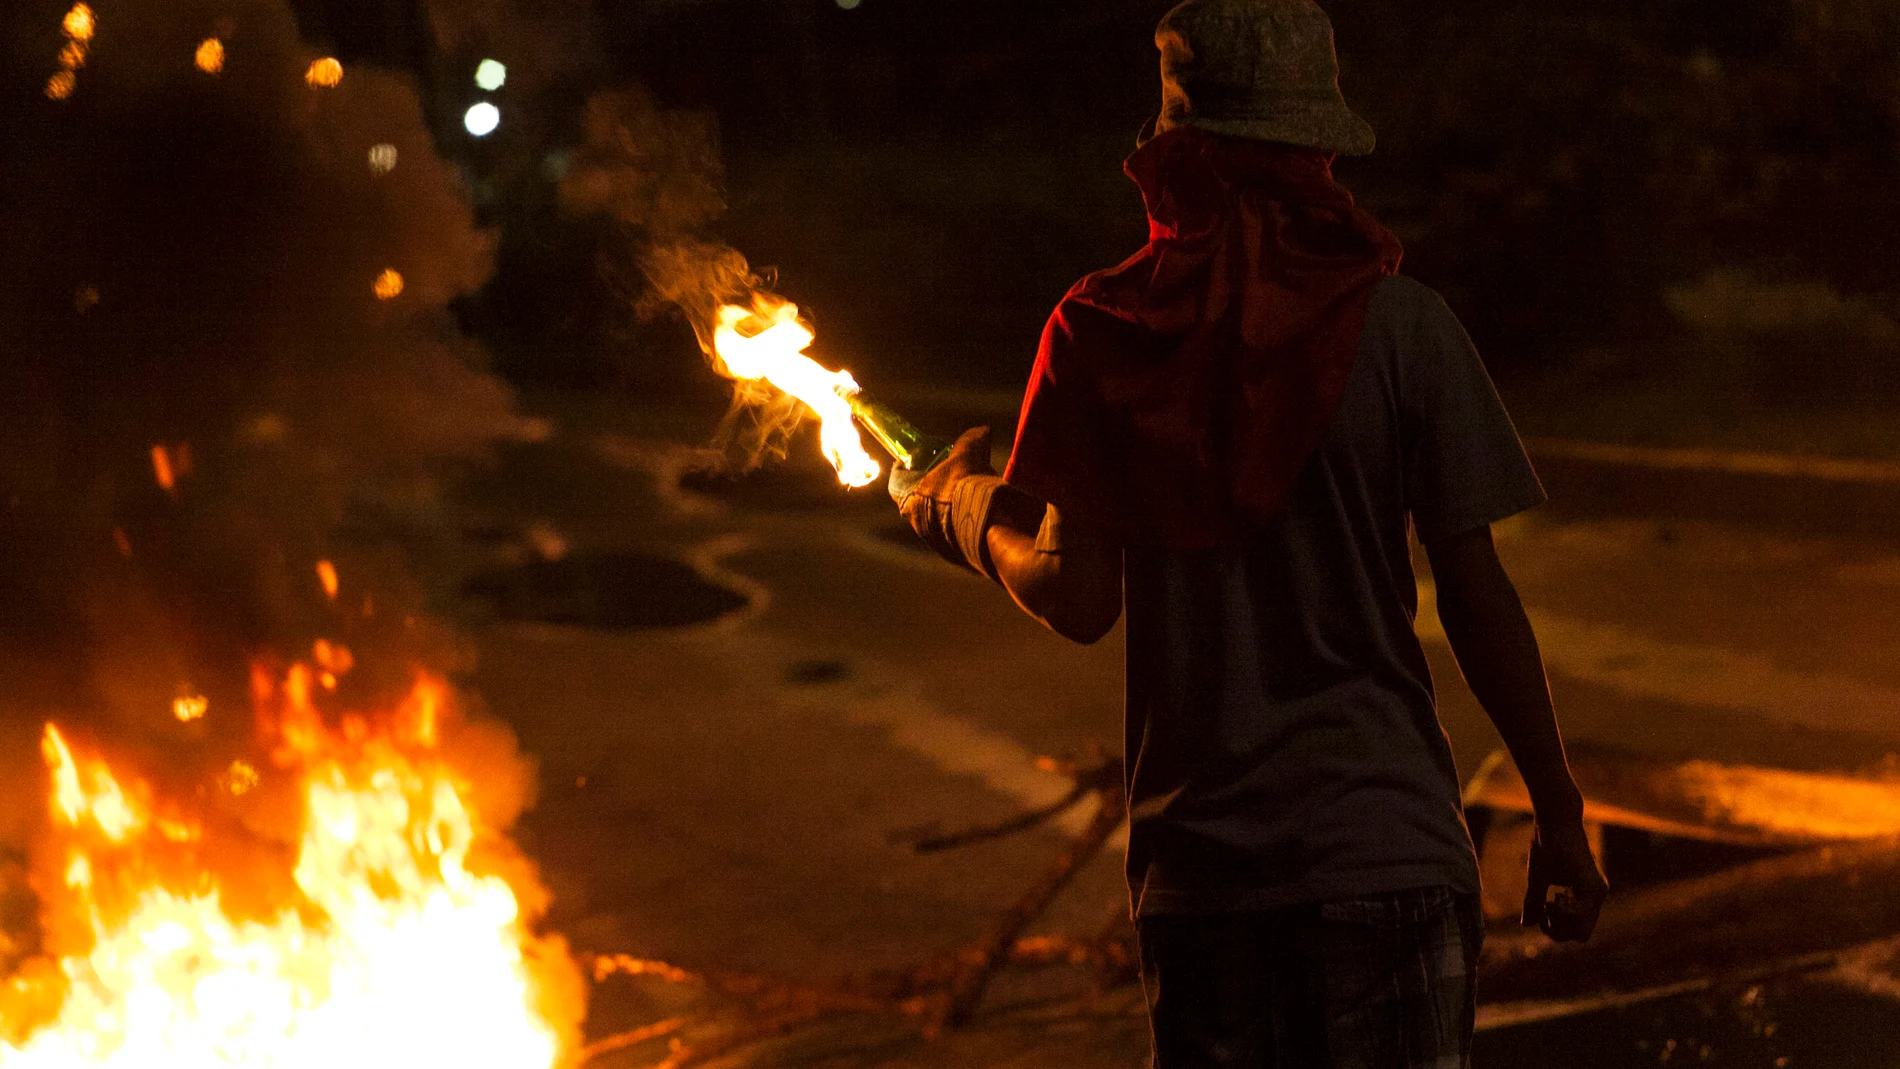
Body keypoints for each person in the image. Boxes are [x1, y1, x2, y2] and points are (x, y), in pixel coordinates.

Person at [889, 0, 1609, 1065]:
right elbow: (1477, 593)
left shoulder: (1098, 329)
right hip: (1387, 856)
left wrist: (958, 507)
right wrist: (1558, 815)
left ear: (1172, 149)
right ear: (1319, 145)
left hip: (1204, 881)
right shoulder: (1404, 326)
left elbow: (1076, 596)